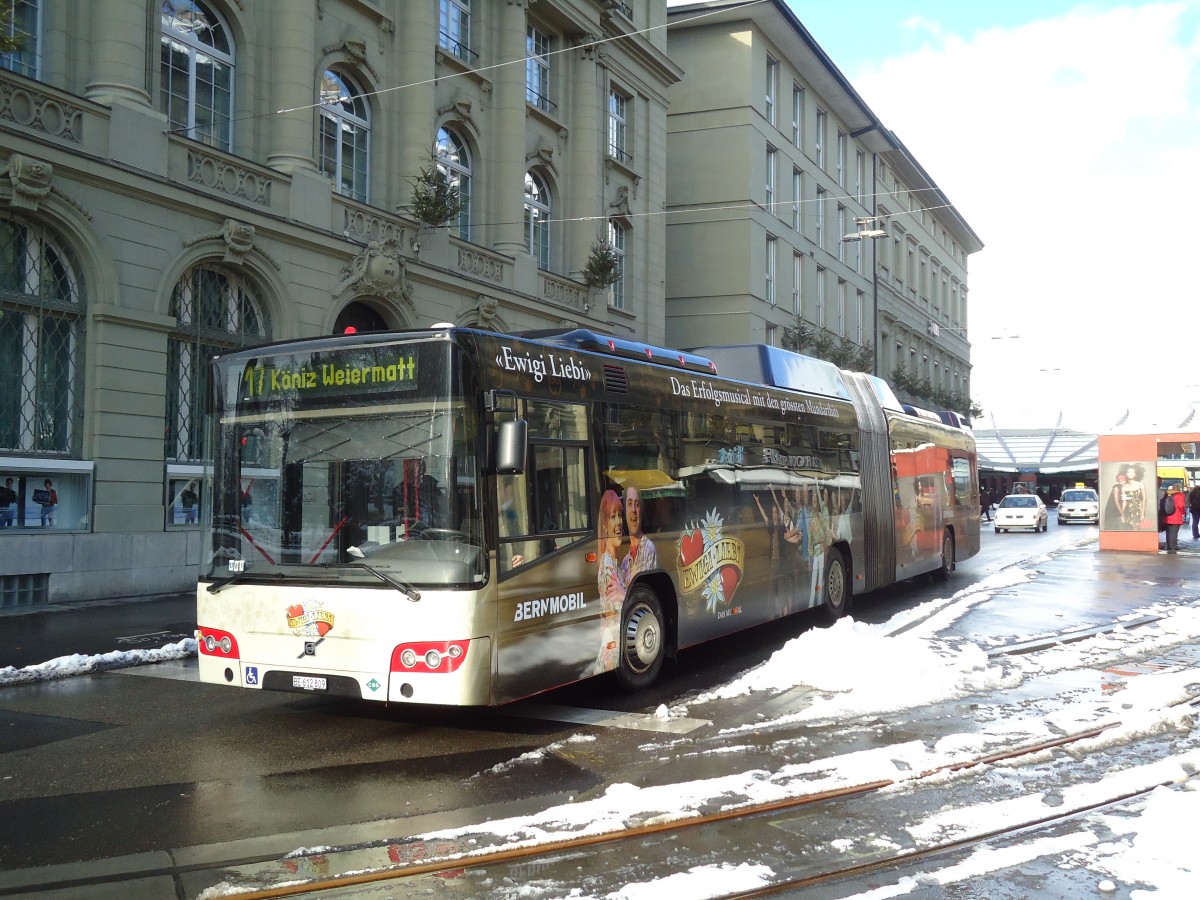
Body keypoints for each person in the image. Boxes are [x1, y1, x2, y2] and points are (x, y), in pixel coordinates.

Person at [595, 490, 627, 671]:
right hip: (612, 655)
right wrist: (626, 596)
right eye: (613, 517)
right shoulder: (607, 567)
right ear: (605, 525)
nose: (619, 523)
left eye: (619, 516)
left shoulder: (615, 564)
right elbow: (619, 615)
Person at [621, 485, 658, 580]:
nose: (633, 510)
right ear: (625, 511)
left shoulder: (648, 548)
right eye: (629, 504)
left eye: (637, 505)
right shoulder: (625, 561)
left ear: (641, 511)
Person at [1163, 483, 1186, 553]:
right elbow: (1181, 505)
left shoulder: (1167, 494)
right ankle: (1173, 546)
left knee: (1168, 532)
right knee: (1174, 532)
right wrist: (1183, 512)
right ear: (1179, 488)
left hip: (1167, 515)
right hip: (1176, 516)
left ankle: (1168, 545)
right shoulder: (1180, 495)